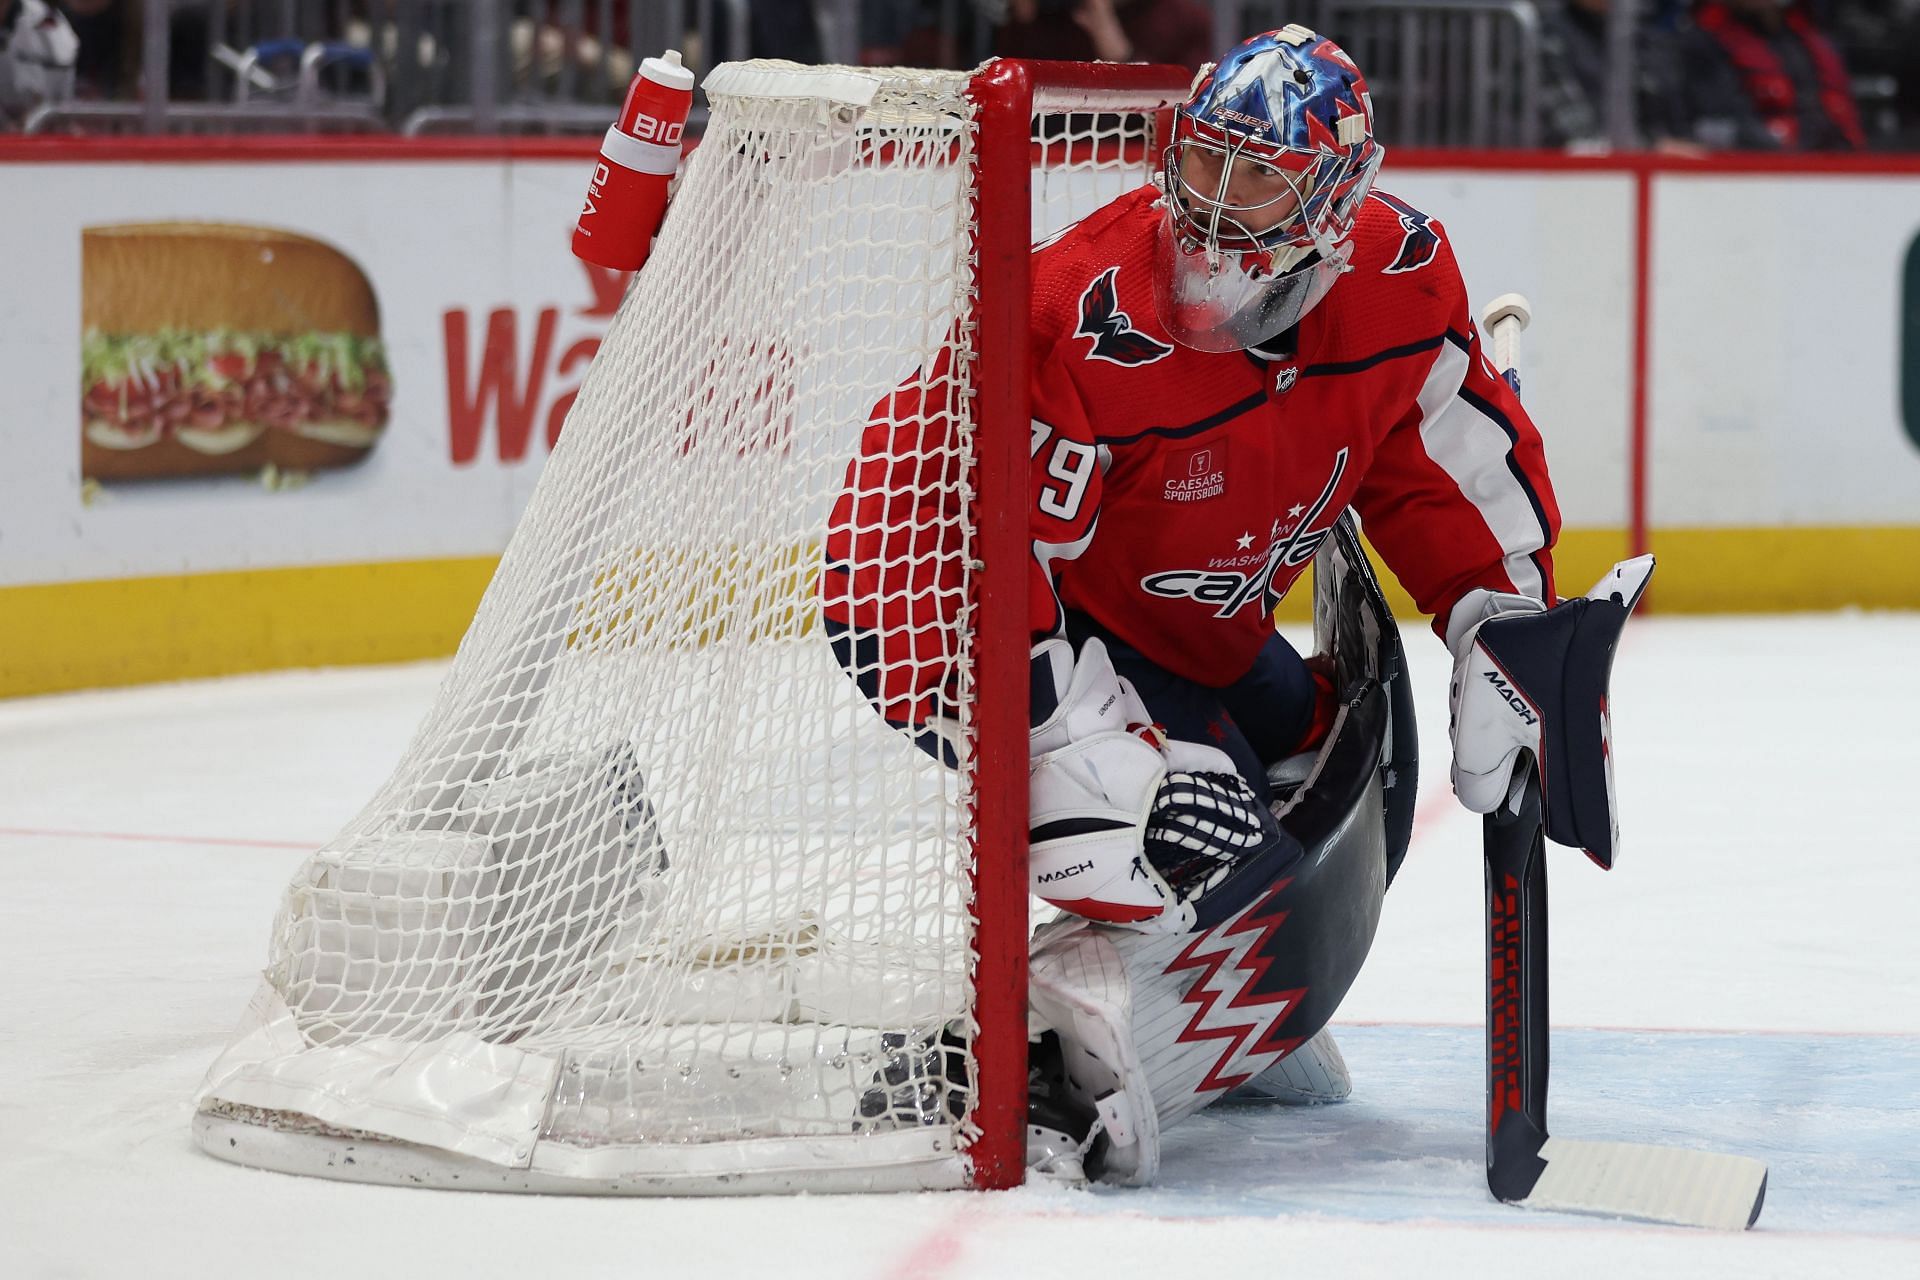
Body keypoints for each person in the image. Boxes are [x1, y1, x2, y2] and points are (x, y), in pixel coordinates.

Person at [822, 26, 1564, 1181]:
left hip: (1201, 631)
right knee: (1200, 834)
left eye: (1256, 174)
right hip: (996, 624)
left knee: (1351, 769)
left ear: (1334, 203)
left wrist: (1511, 627)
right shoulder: (1078, 313)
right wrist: (1090, 764)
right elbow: (918, 538)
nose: (1214, 203)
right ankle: (1031, 1050)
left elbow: (1448, 467)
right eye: (1205, 160)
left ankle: (1243, 1010)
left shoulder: (1401, 274)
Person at [1679, 0, 1866, 149]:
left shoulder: (1807, 41)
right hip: (1755, 167)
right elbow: (1719, 123)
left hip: (1826, 165)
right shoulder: (1703, 43)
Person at [992, 0, 1214, 71]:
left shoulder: (1183, 17)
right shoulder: (1057, 14)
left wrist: (1123, 55)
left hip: (1137, 160)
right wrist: (1023, 18)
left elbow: (1188, 108)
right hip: (1050, 157)